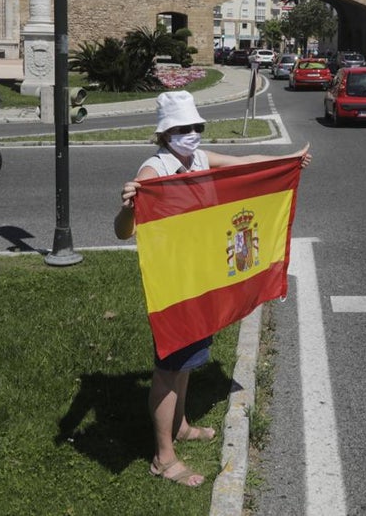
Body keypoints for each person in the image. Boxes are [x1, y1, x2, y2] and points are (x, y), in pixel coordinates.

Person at [114, 91, 311, 488]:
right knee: (169, 368)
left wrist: (288, 161)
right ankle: (163, 457)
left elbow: (245, 163)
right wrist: (127, 206)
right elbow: (123, 232)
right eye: (183, 129)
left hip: (200, 277)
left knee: (187, 362)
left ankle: (182, 426)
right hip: (175, 286)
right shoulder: (155, 170)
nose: (192, 135)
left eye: (196, 127)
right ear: (165, 132)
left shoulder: (200, 159)